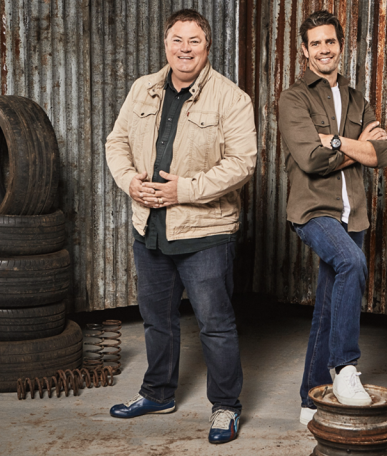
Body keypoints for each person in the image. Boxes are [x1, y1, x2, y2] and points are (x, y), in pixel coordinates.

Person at [104, 8, 256, 444]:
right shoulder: (143, 89)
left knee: (215, 324)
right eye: (177, 39)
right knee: (157, 320)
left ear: (207, 47)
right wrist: (130, 182)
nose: (184, 49)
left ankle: (226, 407)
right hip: (150, 227)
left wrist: (182, 190)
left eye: (194, 41)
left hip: (205, 232)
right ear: (165, 44)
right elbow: (116, 141)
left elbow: (242, 163)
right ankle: (158, 393)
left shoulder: (232, 99)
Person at [277, 10, 387, 425]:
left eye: (330, 41)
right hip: (313, 210)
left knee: (327, 308)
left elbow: (384, 153)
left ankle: (309, 403)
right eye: (316, 43)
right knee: (351, 262)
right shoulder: (293, 98)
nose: (324, 49)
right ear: (304, 50)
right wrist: (357, 146)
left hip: (352, 213)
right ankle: (345, 368)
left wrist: (336, 141)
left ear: (341, 46)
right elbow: (310, 160)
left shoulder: (357, 97)